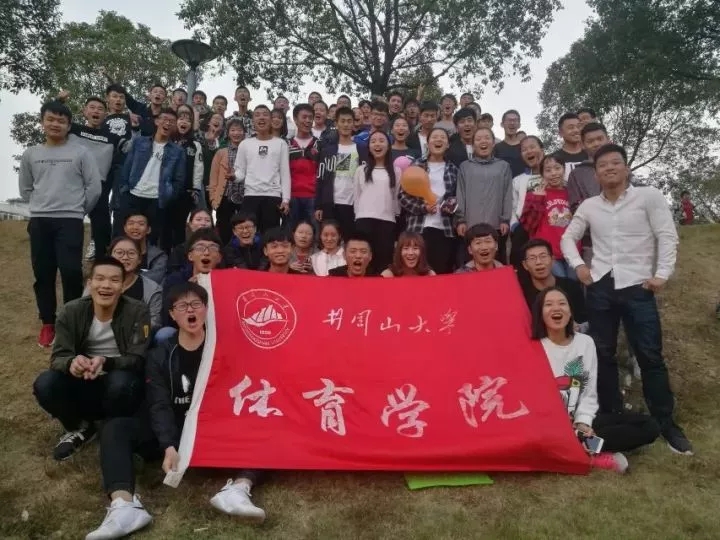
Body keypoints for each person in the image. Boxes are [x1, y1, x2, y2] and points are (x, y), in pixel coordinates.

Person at [86, 282, 266, 539]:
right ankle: (124, 506)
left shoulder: (223, 348)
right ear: (172, 314)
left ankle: (238, 489)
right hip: (172, 427)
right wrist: (168, 445)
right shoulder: (160, 354)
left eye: (196, 304)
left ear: (206, 310)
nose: (190, 310)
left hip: (213, 429)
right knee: (115, 428)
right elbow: (158, 403)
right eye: (182, 306)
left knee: (266, 423)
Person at [561, 143, 693, 455]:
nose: (609, 168)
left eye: (615, 163)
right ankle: (613, 415)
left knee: (650, 355)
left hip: (638, 286)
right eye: (602, 165)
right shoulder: (590, 205)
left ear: (626, 168)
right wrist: (579, 266)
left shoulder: (648, 197)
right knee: (603, 354)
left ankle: (666, 423)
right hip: (601, 286)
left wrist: (662, 274)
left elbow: (667, 235)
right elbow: (568, 237)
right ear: (596, 174)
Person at [32, 256, 151, 461]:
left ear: (123, 286)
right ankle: (79, 427)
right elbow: (58, 357)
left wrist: (106, 361)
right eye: (100, 279)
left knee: (121, 383)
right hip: (83, 378)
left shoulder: (138, 311)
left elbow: (138, 357)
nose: (106, 285)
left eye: (114, 280)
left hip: (119, 380)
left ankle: (112, 427)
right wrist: (72, 363)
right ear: (89, 283)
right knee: (45, 384)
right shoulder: (71, 311)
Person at [531, 287, 660, 474]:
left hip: (579, 421)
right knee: (541, 437)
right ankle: (587, 453)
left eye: (562, 303)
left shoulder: (585, 343)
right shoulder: (533, 348)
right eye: (548, 304)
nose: (556, 308)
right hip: (548, 425)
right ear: (540, 313)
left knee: (649, 426)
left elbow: (589, 394)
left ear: (570, 311)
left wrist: (583, 423)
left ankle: (581, 448)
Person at [19, 100, 103, 347]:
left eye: (61, 121)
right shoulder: (31, 154)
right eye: (51, 119)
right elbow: (25, 188)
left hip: (70, 220)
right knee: (43, 273)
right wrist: (41, 205)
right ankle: (48, 322)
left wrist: (78, 209)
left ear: (69, 125)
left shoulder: (80, 153)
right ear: (42, 122)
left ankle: (71, 321)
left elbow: (94, 187)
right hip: (40, 220)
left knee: (70, 271)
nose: (55, 124)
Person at [118, 107, 186, 253]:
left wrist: (169, 195)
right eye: (165, 119)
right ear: (157, 121)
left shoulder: (178, 151)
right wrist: (124, 189)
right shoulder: (139, 142)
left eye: (172, 121)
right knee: (127, 235)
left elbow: (179, 180)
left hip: (157, 199)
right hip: (133, 195)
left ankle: (147, 265)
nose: (167, 123)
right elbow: (127, 166)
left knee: (152, 239)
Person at [399, 128, 459, 274]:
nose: (438, 140)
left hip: (444, 229)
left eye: (442, 137)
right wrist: (422, 207)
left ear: (448, 144)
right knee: (417, 272)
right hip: (418, 228)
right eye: (434, 137)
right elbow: (402, 196)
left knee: (440, 272)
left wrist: (449, 207)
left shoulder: (453, 169)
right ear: (428, 143)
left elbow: (457, 197)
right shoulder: (416, 165)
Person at [455, 127, 513, 264]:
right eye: (478, 139)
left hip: (496, 226)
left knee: (496, 265)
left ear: (493, 143)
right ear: (472, 144)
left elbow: (507, 194)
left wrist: (505, 220)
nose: (483, 141)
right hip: (470, 225)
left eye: (487, 138)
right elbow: (460, 194)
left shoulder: (503, 166)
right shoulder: (465, 166)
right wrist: (460, 220)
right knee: (470, 266)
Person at [160, 229, 224, 343]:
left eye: (212, 248)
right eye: (200, 248)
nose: (206, 252)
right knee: (164, 334)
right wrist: (187, 290)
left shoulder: (226, 281)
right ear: (190, 256)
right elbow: (167, 317)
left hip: (217, 331)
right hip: (181, 331)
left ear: (219, 257)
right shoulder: (175, 280)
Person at [234, 105, 291, 234]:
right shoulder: (245, 144)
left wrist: (285, 200)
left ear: (271, 120)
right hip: (250, 196)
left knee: (270, 236)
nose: (261, 117)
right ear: (253, 121)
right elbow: (240, 172)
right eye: (257, 115)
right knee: (248, 235)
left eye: (265, 114)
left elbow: (285, 173)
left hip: (273, 196)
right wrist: (234, 176)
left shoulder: (281, 143)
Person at [520, 154, 576, 279]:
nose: (553, 173)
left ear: (564, 169)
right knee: (558, 284)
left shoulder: (572, 193)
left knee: (574, 285)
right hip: (548, 254)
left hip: (572, 251)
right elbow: (528, 226)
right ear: (542, 174)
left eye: (557, 168)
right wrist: (538, 198)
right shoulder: (533, 195)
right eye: (548, 170)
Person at [353, 131, 401, 274]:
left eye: (381, 140)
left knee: (383, 263)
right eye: (373, 141)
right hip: (363, 221)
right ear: (368, 147)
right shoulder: (361, 170)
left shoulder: (396, 171)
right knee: (364, 263)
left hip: (387, 222)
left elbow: (396, 198)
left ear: (388, 146)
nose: (377, 144)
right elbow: (357, 197)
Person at [101, 237, 163, 333]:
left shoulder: (152, 289)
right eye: (119, 253)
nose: (125, 257)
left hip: (137, 336)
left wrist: (130, 330)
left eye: (131, 253)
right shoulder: (97, 283)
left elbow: (154, 322)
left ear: (139, 259)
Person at [520, 239, 587, 328]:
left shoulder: (571, 287)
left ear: (552, 260)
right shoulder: (520, 294)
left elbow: (583, 322)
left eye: (543, 256)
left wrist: (575, 328)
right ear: (525, 265)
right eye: (532, 258)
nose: (538, 262)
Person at [315, 106, 359, 242]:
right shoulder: (327, 151)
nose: (346, 124)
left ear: (353, 123)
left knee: (350, 242)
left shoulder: (361, 149)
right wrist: (319, 206)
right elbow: (320, 179)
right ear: (336, 123)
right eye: (342, 121)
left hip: (353, 204)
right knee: (330, 242)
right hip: (331, 204)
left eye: (349, 121)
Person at [168, 104, 205, 250]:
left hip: (186, 191)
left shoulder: (195, 145)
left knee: (180, 226)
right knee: (164, 225)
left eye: (188, 120)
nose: (184, 122)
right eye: (181, 119)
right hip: (166, 189)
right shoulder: (167, 141)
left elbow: (198, 168)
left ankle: (178, 255)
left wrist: (195, 189)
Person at [209, 117, 246, 244]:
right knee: (224, 230)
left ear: (244, 133)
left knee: (243, 229)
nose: (236, 133)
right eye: (233, 130)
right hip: (224, 196)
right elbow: (213, 177)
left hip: (244, 197)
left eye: (239, 130)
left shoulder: (248, 151)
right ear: (228, 133)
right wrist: (213, 198)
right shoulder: (221, 152)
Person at [509, 135, 544, 269]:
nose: (529, 151)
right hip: (523, 228)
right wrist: (514, 225)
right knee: (520, 267)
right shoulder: (517, 180)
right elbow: (513, 206)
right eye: (524, 149)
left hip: (547, 227)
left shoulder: (553, 175)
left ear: (542, 150)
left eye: (532, 147)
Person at [288, 103, 321, 230]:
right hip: (292, 196)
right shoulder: (287, 144)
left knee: (314, 234)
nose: (308, 121)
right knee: (291, 233)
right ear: (295, 119)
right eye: (304, 117)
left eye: (310, 117)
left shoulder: (319, 144)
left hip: (313, 197)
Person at [123, 212, 167, 284]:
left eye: (141, 224)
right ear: (125, 228)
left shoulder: (159, 256)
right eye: (131, 223)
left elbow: (156, 279)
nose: (135, 227)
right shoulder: (116, 253)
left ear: (148, 229)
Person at [167, 208, 214, 273]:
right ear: (190, 224)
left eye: (207, 220)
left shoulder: (217, 248)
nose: (203, 223)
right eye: (198, 219)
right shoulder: (180, 250)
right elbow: (172, 273)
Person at [555, 113, 588, 180]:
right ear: (560, 133)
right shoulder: (554, 159)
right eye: (571, 127)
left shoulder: (591, 155)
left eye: (578, 127)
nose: (576, 130)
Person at [494, 110, 526, 177]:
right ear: (502, 124)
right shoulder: (495, 148)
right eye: (509, 120)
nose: (512, 123)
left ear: (519, 125)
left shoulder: (525, 148)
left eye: (515, 120)